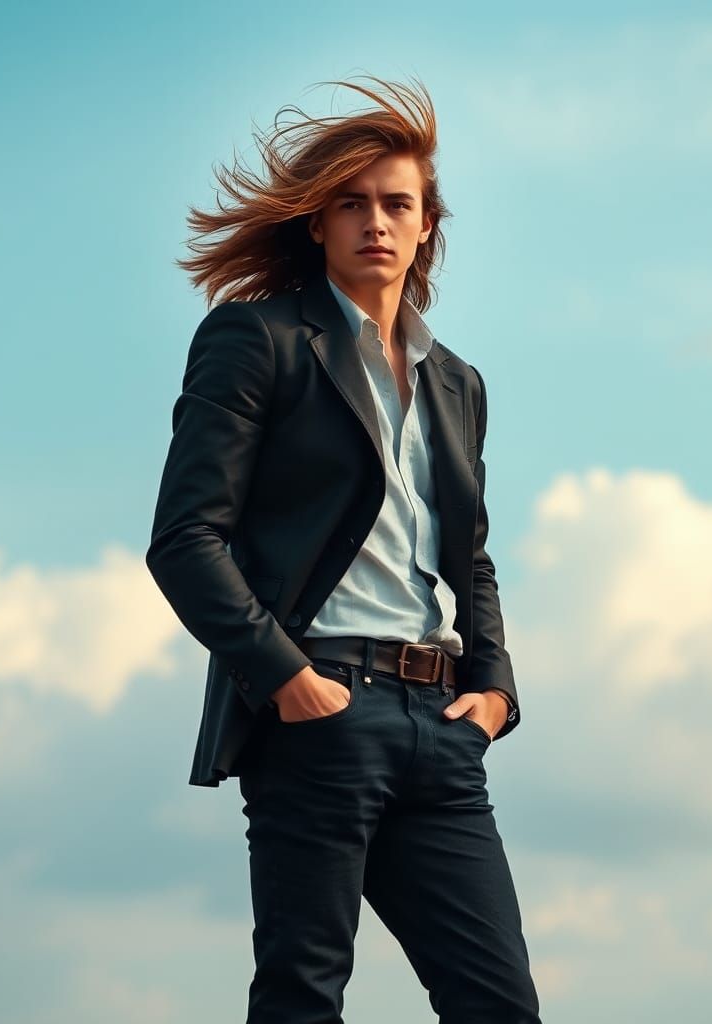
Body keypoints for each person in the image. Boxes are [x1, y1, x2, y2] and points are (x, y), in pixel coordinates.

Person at [146, 74, 541, 1024]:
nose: (376, 221)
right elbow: (185, 539)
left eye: (397, 203)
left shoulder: (457, 382)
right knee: (303, 998)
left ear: (427, 226)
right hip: (321, 714)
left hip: (443, 730)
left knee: (500, 1006)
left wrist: (494, 692)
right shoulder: (258, 340)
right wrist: (288, 681)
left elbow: (469, 557)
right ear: (318, 225)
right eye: (351, 204)